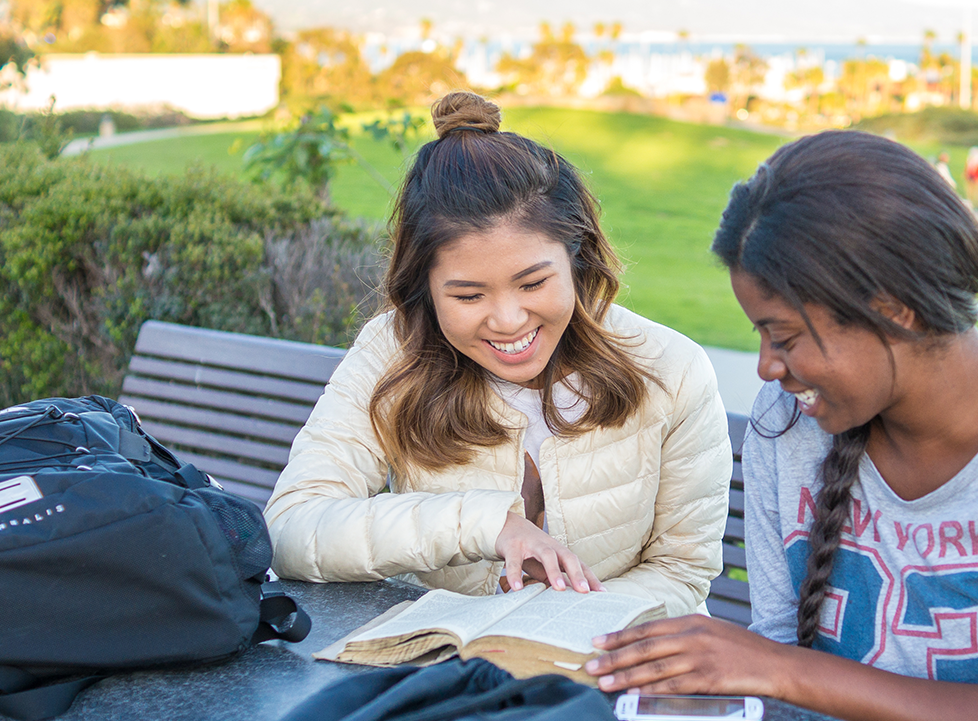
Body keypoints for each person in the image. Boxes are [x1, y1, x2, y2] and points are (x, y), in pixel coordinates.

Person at [585, 130, 978, 721]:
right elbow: (779, 645)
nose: (766, 366)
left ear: (895, 311)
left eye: (785, 337)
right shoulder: (789, 422)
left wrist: (783, 670)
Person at [263, 92, 732, 617]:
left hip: (609, 656)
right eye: (468, 296)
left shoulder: (670, 368)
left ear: (577, 258)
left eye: (533, 283)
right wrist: (487, 526)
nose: (508, 321)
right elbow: (292, 528)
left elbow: (681, 573)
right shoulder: (393, 351)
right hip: (445, 655)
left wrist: (546, 623)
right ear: (425, 288)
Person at [964, 145, 978, 211]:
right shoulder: (970, 160)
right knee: (970, 192)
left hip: (977, 179)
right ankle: (970, 204)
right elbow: (968, 169)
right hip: (971, 178)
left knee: (977, 193)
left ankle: (977, 206)